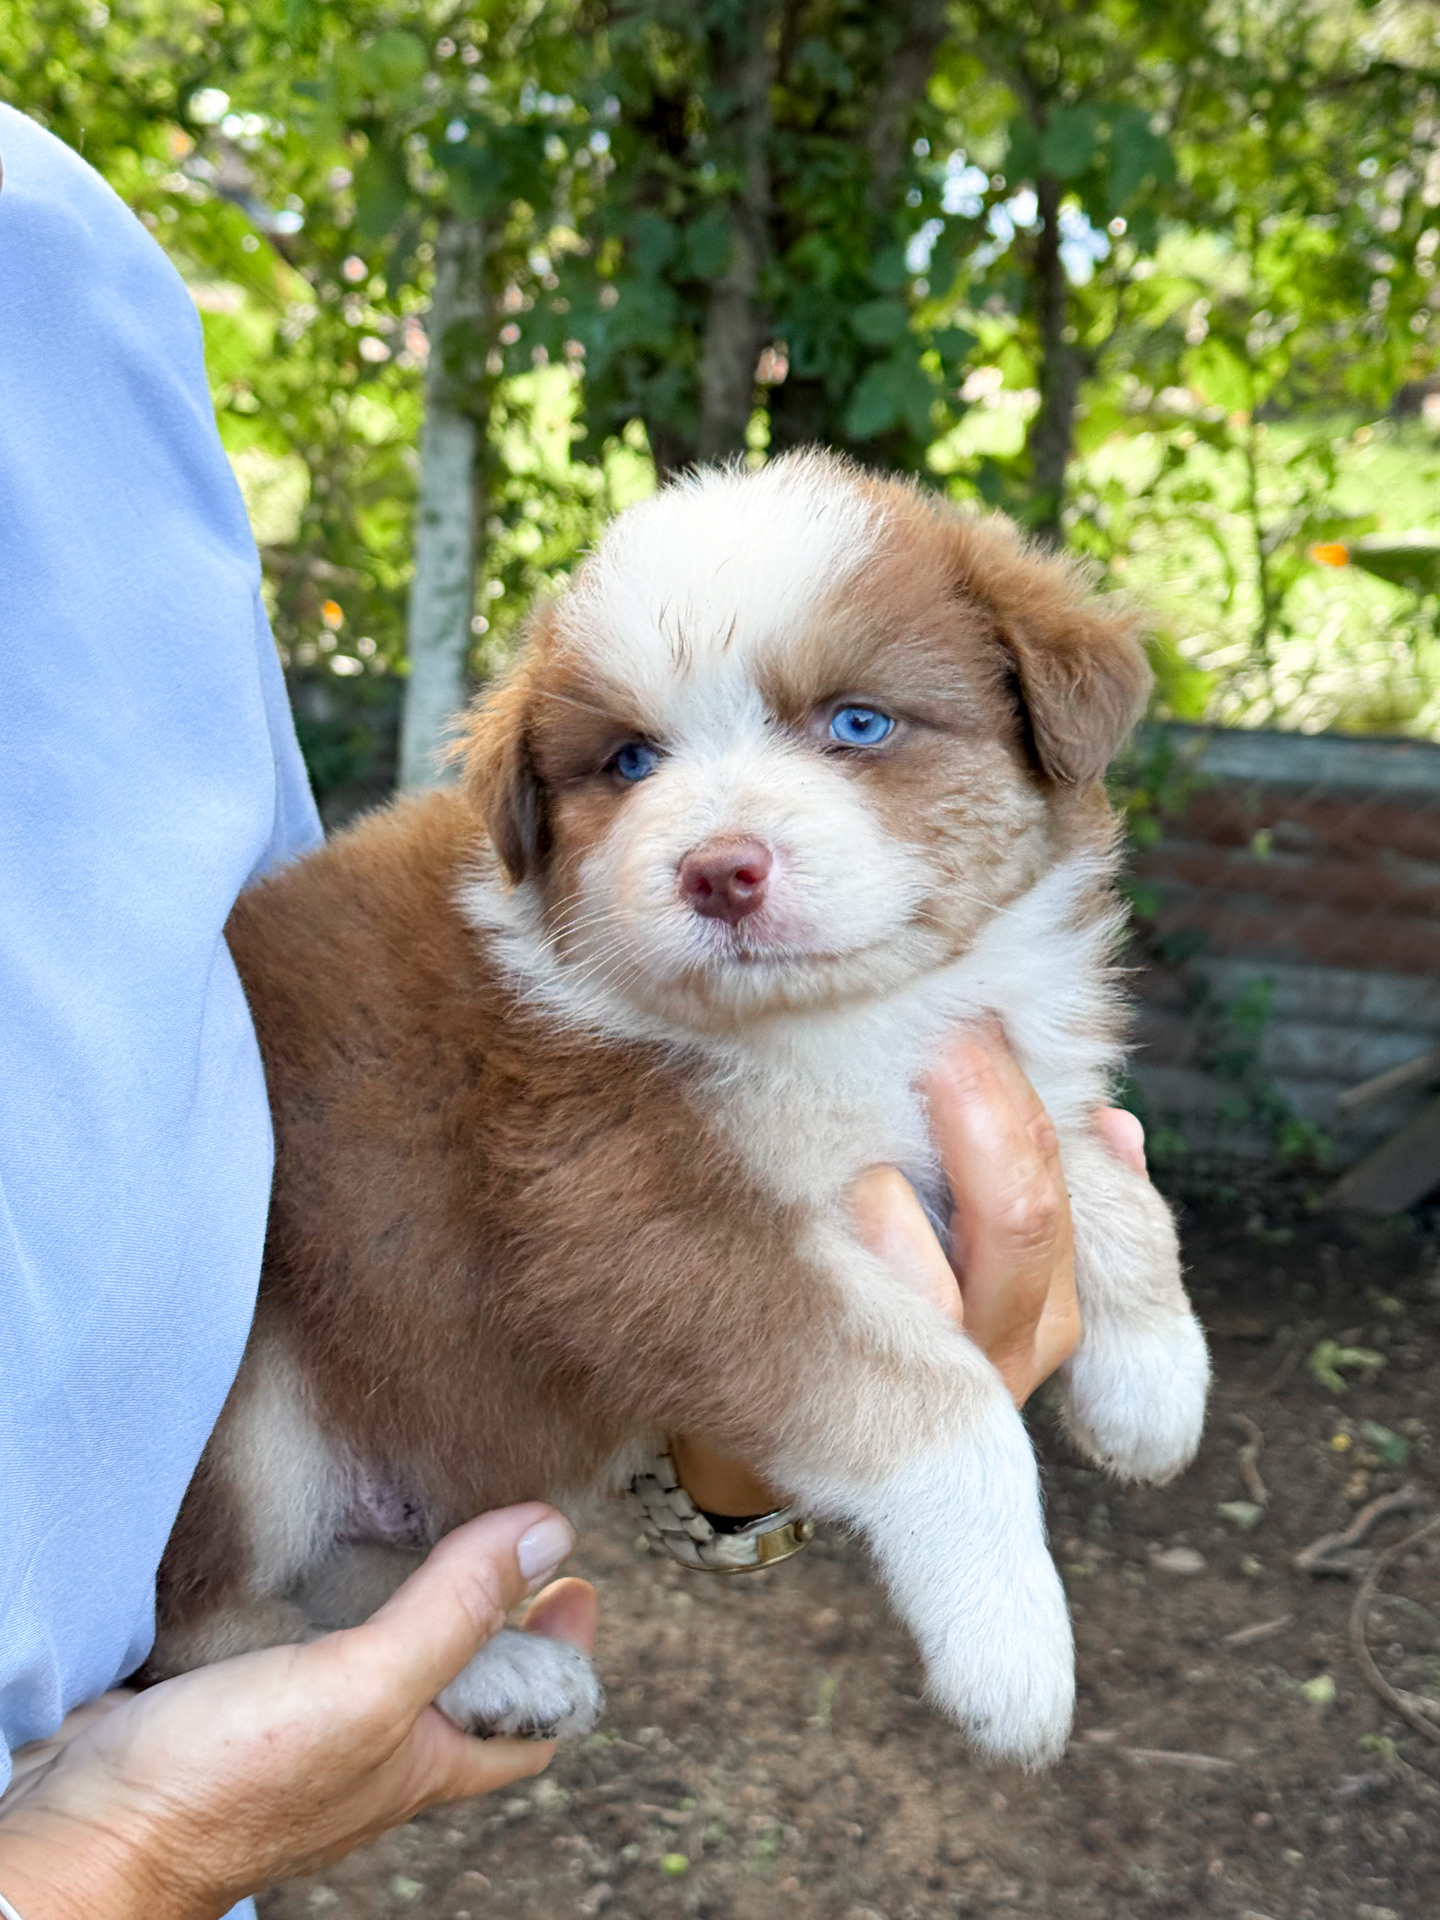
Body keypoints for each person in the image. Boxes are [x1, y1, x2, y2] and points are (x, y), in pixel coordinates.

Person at [0, 101, 1147, 1920]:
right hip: (247, 1487)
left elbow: (209, 930)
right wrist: (102, 1862)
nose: (723, 841)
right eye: (625, 761)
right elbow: (643, 1243)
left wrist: (755, 1456)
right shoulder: (580, 1003)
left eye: (853, 724)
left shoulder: (58, 254)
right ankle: (237, 1613)